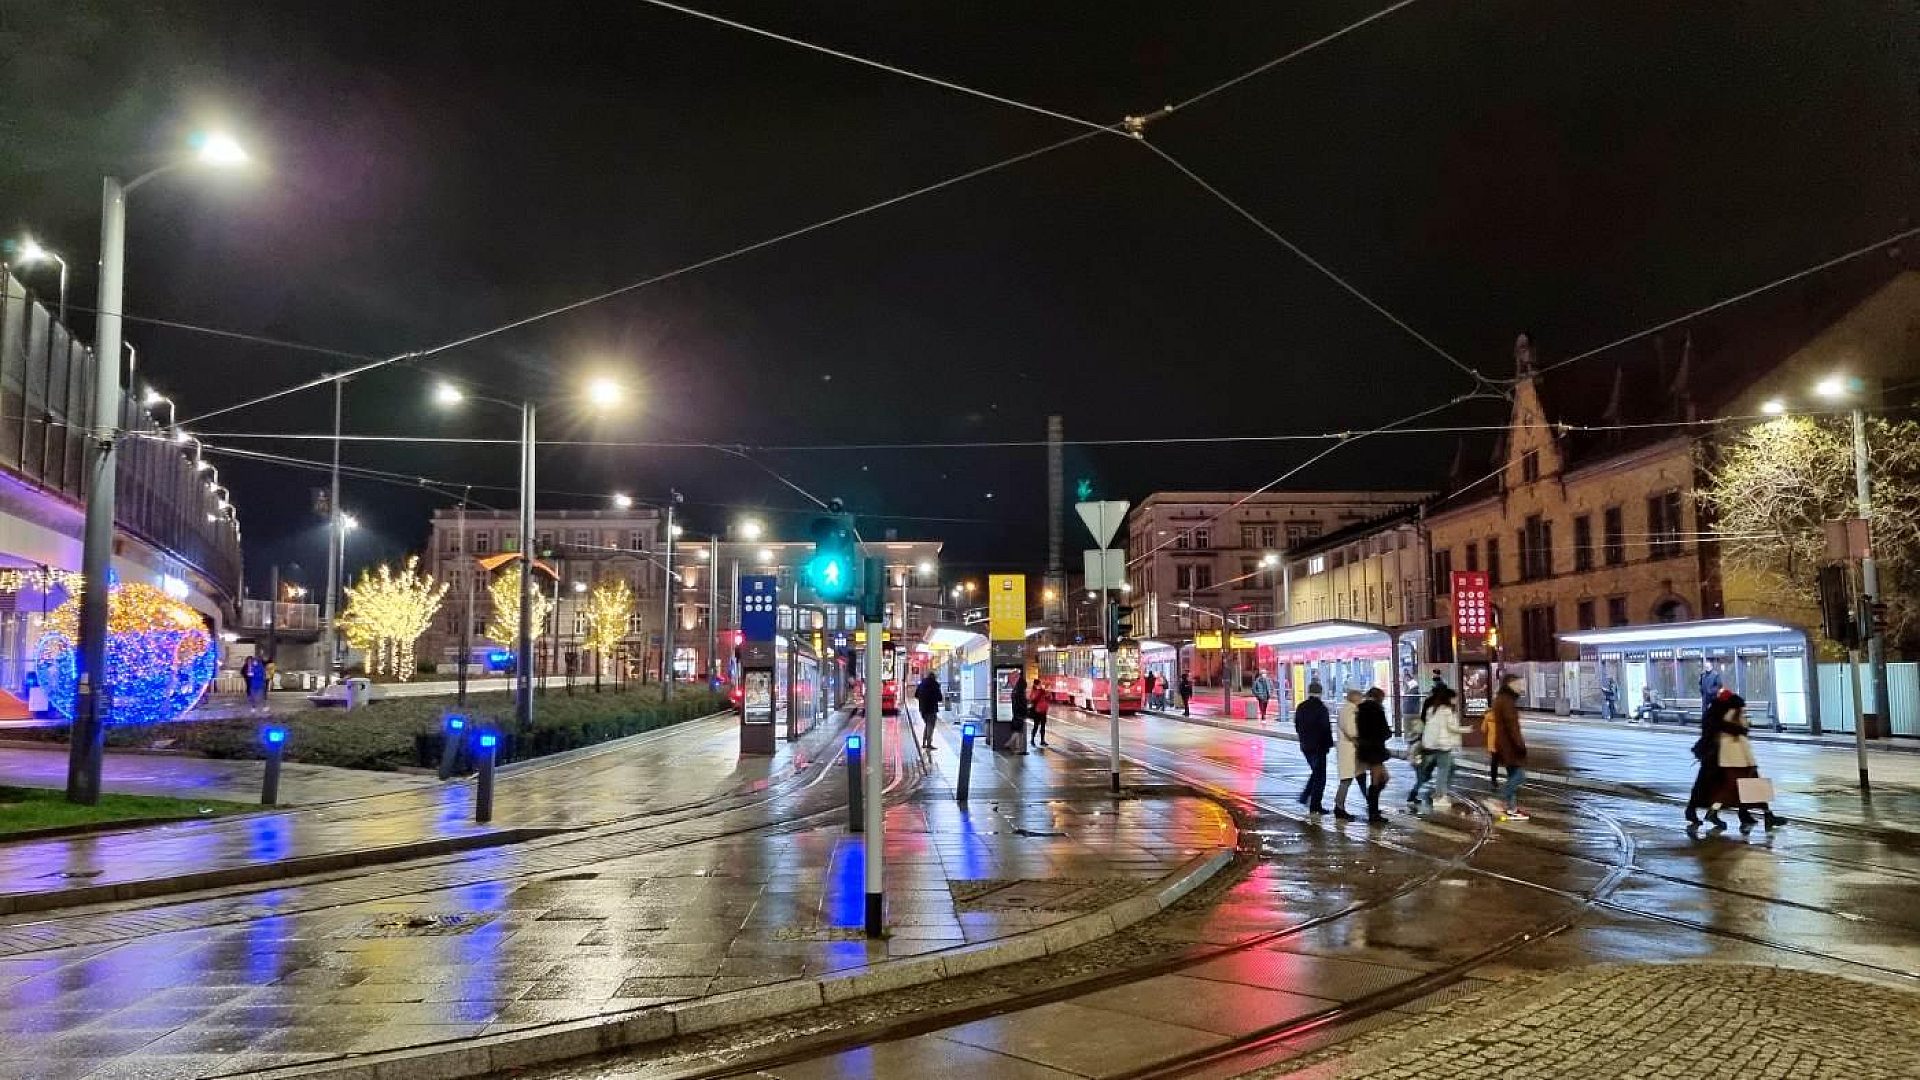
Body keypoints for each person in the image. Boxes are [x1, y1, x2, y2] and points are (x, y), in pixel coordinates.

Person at [1702, 692, 1784, 832]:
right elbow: (1744, 745)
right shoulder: (1737, 722)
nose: (1745, 710)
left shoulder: (1726, 722)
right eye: (1743, 707)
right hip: (1742, 763)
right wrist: (1752, 762)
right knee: (1754, 789)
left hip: (1730, 762)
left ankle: (1716, 812)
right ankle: (1767, 817)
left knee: (1737, 790)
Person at [1409, 687, 1469, 809]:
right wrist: (1466, 730)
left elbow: (1424, 722)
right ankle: (1440, 795)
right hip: (1442, 745)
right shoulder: (1446, 710)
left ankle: (1422, 793)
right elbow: (1451, 728)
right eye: (1455, 698)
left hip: (1429, 745)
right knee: (1444, 770)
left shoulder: (1430, 707)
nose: (1457, 700)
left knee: (1431, 772)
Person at [1489, 673, 1529, 821]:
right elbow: (1512, 727)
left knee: (1512, 775)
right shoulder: (1507, 702)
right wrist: (1520, 745)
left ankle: (1511, 809)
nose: (1521, 687)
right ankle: (1500, 800)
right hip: (1510, 746)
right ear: (1510, 685)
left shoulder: (1502, 699)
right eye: (1518, 684)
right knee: (1519, 776)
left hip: (1504, 745)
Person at [1293, 681, 1332, 813]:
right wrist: (1328, 745)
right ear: (1320, 693)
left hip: (1305, 746)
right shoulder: (1321, 708)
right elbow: (1325, 728)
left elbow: (1297, 726)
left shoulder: (1301, 707)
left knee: (1316, 772)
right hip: (1319, 747)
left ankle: (1305, 796)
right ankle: (1315, 805)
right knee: (1320, 776)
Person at [1355, 687, 1393, 823]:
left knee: (1382, 778)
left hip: (1365, 749)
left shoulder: (1360, 709)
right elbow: (1384, 731)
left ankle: (1373, 807)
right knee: (1377, 780)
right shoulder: (1377, 710)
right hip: (1375, 750)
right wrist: (1387, 734)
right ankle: (1373, 812)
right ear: (1379, 697)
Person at [1333, 688, 1363, 819]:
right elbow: (1352, 730)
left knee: (1350, 779)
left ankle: (1339, 806)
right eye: (1360, 698)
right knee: (1346, 780)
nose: (1362, 701)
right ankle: (1339, 807)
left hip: (1347, 749)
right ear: (1355, 699)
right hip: (1349, 750)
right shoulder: (1350, 711)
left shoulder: (1346, 709)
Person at [915, 671, 943, 750]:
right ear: (934, 677)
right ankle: (929, 744)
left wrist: (922, 700)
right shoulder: (935, 685)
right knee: (930, 726)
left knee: (927, 725)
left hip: (923, 709)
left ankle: (924, 743)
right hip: (932, 709)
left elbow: (916, 695)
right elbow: (940, 698)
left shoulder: (921, 684)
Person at [1010, 671, 1030, 755]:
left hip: (1015, 714)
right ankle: (1014, 747)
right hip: (1020, 714)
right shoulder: (1020, 694)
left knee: (1017, 731)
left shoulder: (1015, 692)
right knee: (1019, 731)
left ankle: (1014, 746)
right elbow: (1022, 705)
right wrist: (1026, 712)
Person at [1028, 676, 1051, 748]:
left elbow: (1048, 698)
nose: (1040, 685)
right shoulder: (1035, 691)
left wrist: (1047, 694)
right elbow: (1032, 699)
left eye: (1040, 684)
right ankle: (1032, 740)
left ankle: (1042, 740)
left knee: (1043, 726)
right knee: (1036, 726)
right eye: (1039, 684)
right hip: (1037, 711)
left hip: (1043, 711)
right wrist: (1040, 691)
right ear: (1036, 684)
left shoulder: (1042, 691)